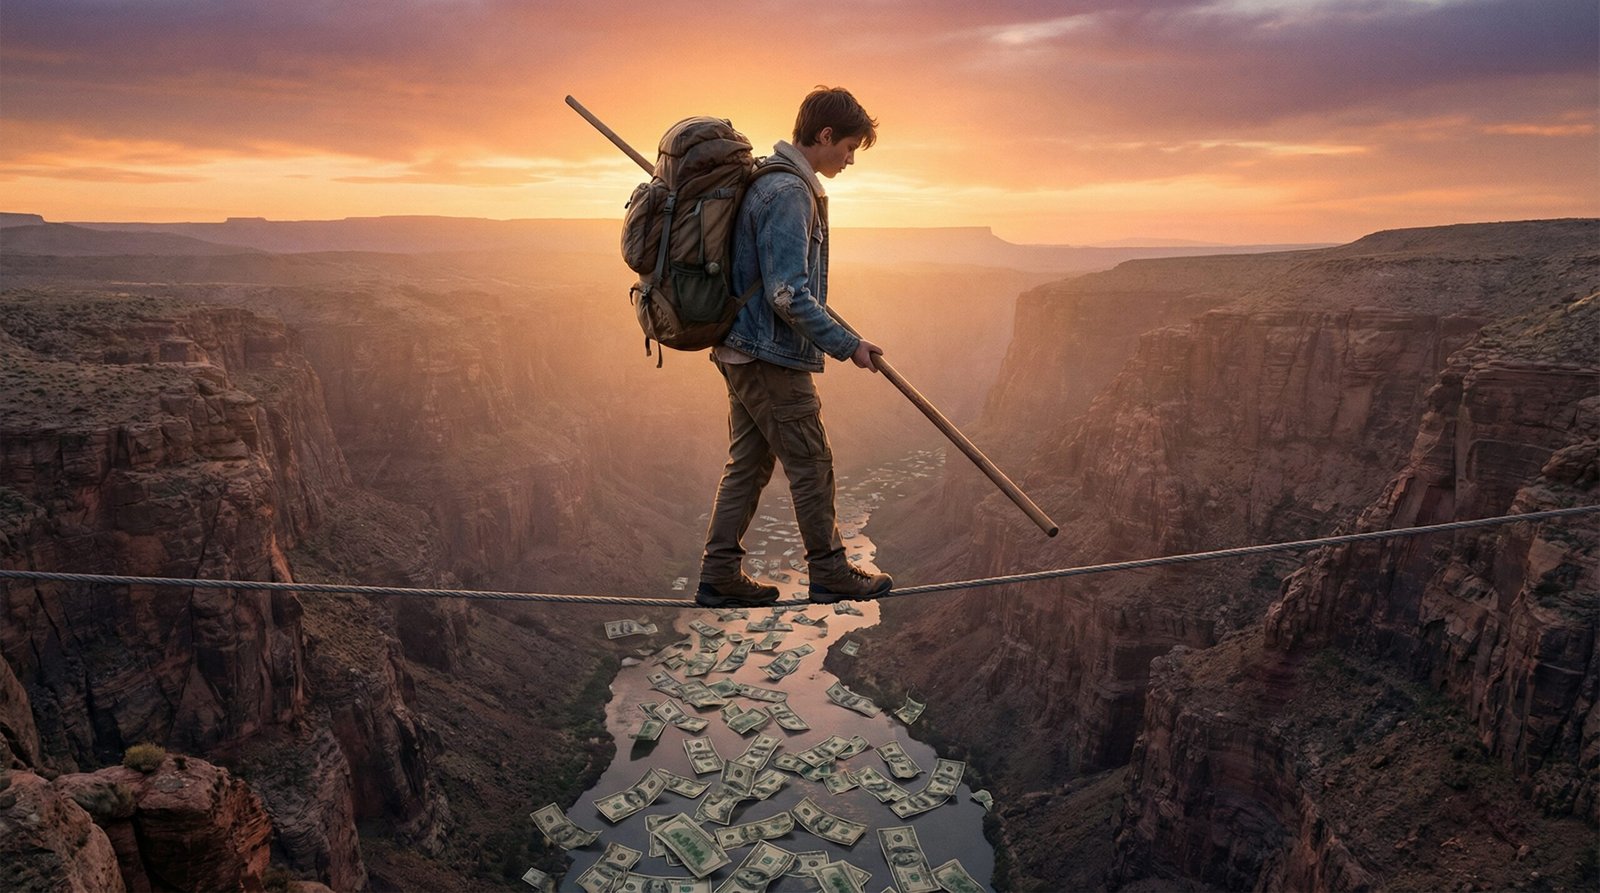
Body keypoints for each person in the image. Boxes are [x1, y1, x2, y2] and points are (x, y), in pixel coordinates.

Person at [696, 86, 894, 609]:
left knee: (749, 463)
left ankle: (719, 575)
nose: (851, 160)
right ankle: (828, 570)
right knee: (811, 463)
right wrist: (848, 344)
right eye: (849, 147)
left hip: (740, 347)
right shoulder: (789, 192)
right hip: (770, 355)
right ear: (825, 135)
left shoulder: (768, 180)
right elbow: (787, 293)